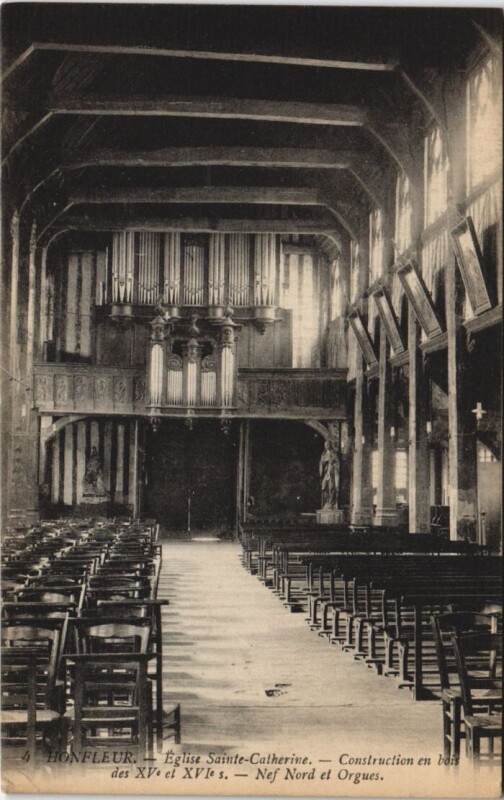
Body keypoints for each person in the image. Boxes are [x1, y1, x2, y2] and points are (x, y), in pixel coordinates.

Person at [319, 440, 340, 509]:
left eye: (328, 444)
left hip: (332, 472)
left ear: (330, 445)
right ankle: (327, 501)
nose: (326, 446)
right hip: (326, 472)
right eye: (325, 444)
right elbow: (321, 463)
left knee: (331, 487)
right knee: (324, 486)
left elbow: (337, 462)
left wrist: (332, 465)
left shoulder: (334, 453)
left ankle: (331, 503)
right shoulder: (324, 454)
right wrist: (323, 464)